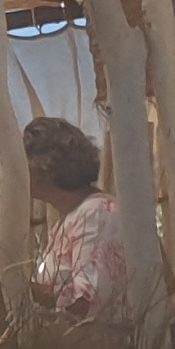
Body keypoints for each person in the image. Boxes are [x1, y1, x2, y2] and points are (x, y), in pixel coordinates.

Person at [20, 115, 129, 324]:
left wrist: (17, 287)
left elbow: (87, 299)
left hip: (107, 343)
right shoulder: (71, 219)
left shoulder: (96, 214)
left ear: (43, 167)